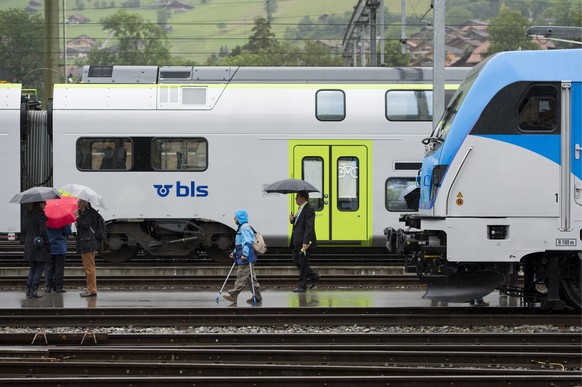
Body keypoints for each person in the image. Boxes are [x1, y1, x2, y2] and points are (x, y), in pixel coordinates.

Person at [223, 210, 263, 304]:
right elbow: (240, 243)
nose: (234, 218)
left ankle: (233, 295)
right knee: (250, 278)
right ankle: (257, 297)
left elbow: (247, 242)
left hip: (246, 257)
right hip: (246, 255)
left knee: (241, 275)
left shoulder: (244, 228)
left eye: (235, 217)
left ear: (240, 218)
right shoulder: (242, 227)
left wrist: (245, 254)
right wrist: (235, 253)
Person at [289, 190, 319, 292]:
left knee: (303, 264)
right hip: (297, 241)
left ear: (302, 198)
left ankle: (302, 286)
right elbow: (299, 224)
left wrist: (306, 242)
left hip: (305, 242)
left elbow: (309, 227)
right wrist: (292, 220)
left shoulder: (309, 209)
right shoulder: (300, 209)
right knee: (297, 261)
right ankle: (314, 276)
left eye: (297, 196)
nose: (295, 198)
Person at [22, 202, 50, 299]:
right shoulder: (40, 215)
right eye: (44, 203)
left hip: (29, 244)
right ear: (40, 203)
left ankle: (28, 289)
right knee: (39, 268)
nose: (46, 204)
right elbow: (42, 231)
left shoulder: (28, 213)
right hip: (38, 245)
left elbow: (25, 228)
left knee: (33, 267)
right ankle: (34, 290)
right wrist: (47, 242)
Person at [75, 199, 100, 297]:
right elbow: (83, 226)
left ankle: (92, 290)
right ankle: (90, 288)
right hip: (86, 242)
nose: (78, 203)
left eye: (80, 201)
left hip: (88, 243)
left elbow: (86, 225)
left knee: (89, 267)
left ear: (85, 202)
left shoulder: (90, 212)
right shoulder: (86, 212)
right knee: (88, 266)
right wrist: (78, 223)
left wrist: (77, 217)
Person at [44, 224, 72, 293]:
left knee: (49, 268)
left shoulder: (46, 219)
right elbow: (68, 232)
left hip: (49, 247)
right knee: (59, 268)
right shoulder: (63, 220)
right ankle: (58, 287)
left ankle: (48, 287)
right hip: (60, 247)